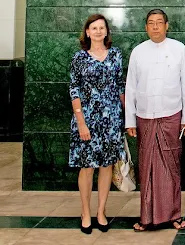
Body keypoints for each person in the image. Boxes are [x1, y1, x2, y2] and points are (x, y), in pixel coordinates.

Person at [125, 9, 185, 232]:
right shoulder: (138, 51)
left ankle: (174, 215)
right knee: (147, 168)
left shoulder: (178, 48)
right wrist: (130, 121)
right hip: (144, 116)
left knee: (171, 167)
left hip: (172, 115)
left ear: (167, 25)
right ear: (146, 27)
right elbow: (131, 87)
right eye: (151, 23)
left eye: (159, 23)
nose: (155, 27)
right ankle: (146, 217)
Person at [68, 14, 125, 234]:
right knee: (87, 167)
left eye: (102, 27)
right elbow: (74, 90)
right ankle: (85, 212)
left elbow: (120, 87)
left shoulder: (116, 55)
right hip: (87, 120)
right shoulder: (79, 58)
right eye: (94, 27)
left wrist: (127, 117)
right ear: (88, 32)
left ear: (107, 32)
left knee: (106, 166)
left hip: (111, 120)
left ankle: (101, 211)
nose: (99, 31)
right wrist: (81, 122)